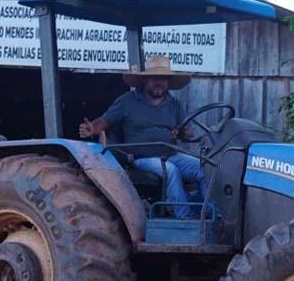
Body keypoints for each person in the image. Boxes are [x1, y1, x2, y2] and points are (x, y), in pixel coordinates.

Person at [79, 55, 205, 219]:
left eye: (163, 79)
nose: (159, 82)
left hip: (171, 154)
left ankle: (206, 213)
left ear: (168, 82)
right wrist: (92, 128)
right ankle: (186, 219)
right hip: (142, 158)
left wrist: (182, 133)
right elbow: (105, 121)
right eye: (154, 78)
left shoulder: (175, 105)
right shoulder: (127, 101)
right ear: (144, 80)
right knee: (171, 171)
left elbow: (186, 132)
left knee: (204, 168)